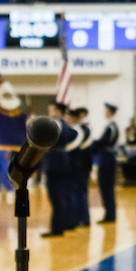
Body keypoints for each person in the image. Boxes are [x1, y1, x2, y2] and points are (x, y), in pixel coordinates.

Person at [41, 101, 76, 236]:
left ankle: (57, 229)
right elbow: (74, 135)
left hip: (54, 162)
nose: (50, 112)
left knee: (55, 197)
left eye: (52, 110)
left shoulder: (54, 125)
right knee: (60, 196)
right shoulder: (65, 126)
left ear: (58, 112)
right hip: (63, 161)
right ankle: (61, 226)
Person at [93, 103, 120, 223]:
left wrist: (91, 145)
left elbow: (103, 142)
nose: (105, 113)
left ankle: (110, 215)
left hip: (106, 158)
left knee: (106, 187)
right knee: (107, 188)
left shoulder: (111, 127)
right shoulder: (113, 126)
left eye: (106, 111)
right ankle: (110, 214)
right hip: (109, 158)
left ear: (110, 112)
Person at [66, 107, 93, 227]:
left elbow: (74, 148)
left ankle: (79, 219)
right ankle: (82, 218)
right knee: (80, 193)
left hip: (79, 165)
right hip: (82, 165)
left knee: (78, 193)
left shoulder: (79, 130)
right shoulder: (85, 129)